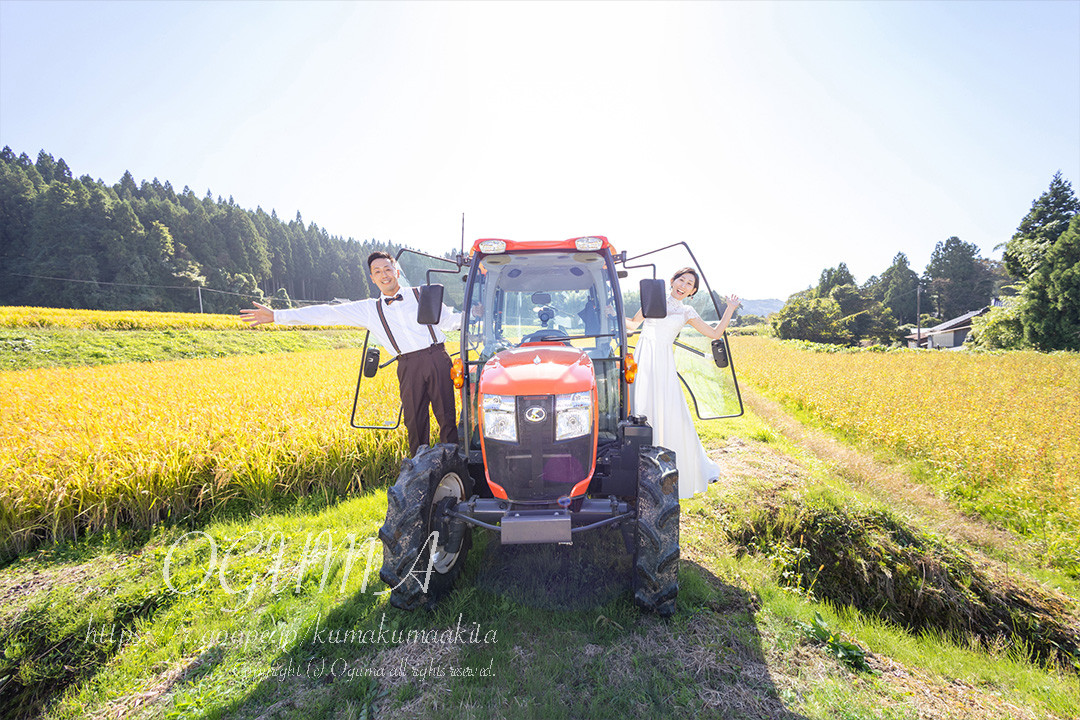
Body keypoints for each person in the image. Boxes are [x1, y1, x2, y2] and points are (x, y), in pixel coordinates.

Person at [240, 251, 461, 457]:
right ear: (372, 279)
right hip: (407, 366)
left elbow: (451, 321)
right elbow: (327, 313)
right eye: (377, 272)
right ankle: (421, 473)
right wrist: (277, 316)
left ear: (397, 272)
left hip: (437, 358)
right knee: (414, 423)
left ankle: (455, 467)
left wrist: (480, 320)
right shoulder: (369, 309)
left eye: (387, 269)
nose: (384, 275)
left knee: (447, 418)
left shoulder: (422, 294)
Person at [625, 267, 739, 499]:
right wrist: (611, 313)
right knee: (638, 404)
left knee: (670, 409)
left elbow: (715, 333)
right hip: (643, 357)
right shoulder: (653, 300)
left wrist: (730, 308)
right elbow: (632, 326)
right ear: (672, 281)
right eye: (681, 280)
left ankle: (669, 459)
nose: (683, 285)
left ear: (692, 292)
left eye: (689, 284)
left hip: (664, 362)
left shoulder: (687, 311)